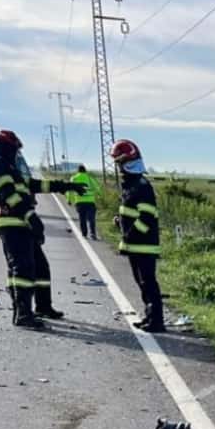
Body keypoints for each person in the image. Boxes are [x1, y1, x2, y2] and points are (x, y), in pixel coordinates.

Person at [0, 129, 84, 328]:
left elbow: (34, 184)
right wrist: (30, 216)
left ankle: (43, 307)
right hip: (12, 223)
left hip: (22, 222)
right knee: (21, 269)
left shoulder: (10, 167)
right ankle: (22, 313)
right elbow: (8, 195)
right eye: (14, 149)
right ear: (6, 147)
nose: (16, 152)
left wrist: (65, 187)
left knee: (40, 267)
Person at [110, 138, 165, 332]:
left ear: (129, 162)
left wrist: (131, 235)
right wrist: (120, 220)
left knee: (148, 282)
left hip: (144, 245)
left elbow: (147, 216)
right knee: (142, 283)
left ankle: (156, 321)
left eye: (120, 163)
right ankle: (150, 317)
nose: (119, 167)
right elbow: (132, 211)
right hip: (136, 245)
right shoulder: (132, 184)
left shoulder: (141, 185)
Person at [67, 164, 100, 239]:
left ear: (78, 171)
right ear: (85, 170)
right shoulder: (89, 178)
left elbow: (70, 190)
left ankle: (84, 234)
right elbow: (97, 188)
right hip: (90, 202)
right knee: (91, 218)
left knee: (82, 218)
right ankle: (93, 233)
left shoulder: (74, 178)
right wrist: (99, 195)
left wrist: (69, 199)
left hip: (79, 202)